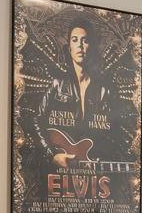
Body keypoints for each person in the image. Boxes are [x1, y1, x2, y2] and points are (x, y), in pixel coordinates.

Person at [28, 20, 132, 171]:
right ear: (69, 47)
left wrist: (103, 155)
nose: (80, 46)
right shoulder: (57, 85)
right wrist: (52, 154)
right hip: (57, 171)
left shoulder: (105, 91)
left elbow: (115, 132)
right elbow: (36, 120)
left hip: (92, 169)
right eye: (74, 40)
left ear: (92, 48)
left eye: (85, 41)